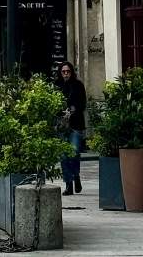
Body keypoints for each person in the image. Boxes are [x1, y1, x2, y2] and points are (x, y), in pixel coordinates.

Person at [57, 61, 87, 195]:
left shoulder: (78, 85)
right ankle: (68, 183)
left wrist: (73, 110)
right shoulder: (57, 86)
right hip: (62, 126)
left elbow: (83, 104)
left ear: (71, 72)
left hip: (75, 124)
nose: (65, 74)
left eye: (68, 71)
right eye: (63, 72)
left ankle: (76, 176)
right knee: (63, 155)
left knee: (74, 152)